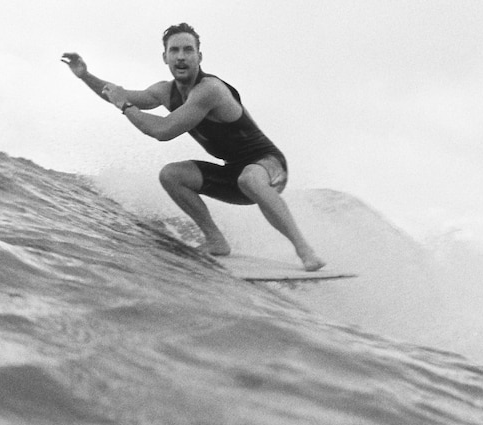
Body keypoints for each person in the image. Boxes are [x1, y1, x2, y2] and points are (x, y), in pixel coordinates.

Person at [62, 22, 325, 271]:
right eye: (174, 50)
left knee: (250, 178)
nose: (181, 56)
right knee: (171, 175)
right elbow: (120, 95)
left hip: (270, 168)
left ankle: (305, 251)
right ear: (164, 57)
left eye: (188, 50)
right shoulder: (165, 91)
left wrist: (125, 106)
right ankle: (216, 241)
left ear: (200, 56)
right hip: (233, 174)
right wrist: (86, 76)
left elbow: (162, 131)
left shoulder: (210, 90)